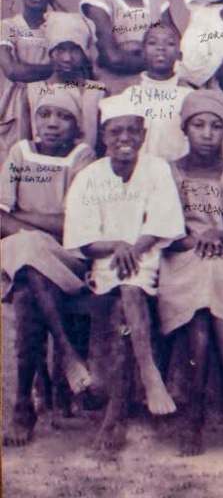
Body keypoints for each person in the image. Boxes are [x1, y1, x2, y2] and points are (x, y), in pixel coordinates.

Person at [63, 93, 186, 451]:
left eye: (132, 131)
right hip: (105, 264)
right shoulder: (89, 177)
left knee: (131, 289)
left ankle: (122, 406)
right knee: (125, 293)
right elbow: (84, 240)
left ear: (144, 134)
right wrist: (117, 245)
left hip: (148, 257)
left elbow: (163, 223)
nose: (124, 139)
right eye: (116, 132)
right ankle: (148, 376)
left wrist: (133, 246)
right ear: (104, 136)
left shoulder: (157, 169)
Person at [159, 90, 223, 455]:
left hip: (222, 258)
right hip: (180, 258)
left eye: (216, 126)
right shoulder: (169, 171)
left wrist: (216, 235)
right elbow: (166, 231)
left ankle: (194, 414)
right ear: (185, 128)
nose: (207, 133)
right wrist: (194, 241)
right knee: (201, 292)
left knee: (208, 286)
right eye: (199, 125)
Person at [0, 92, 96, 446]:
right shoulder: (19, 153)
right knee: (28, 251)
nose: (52, 123)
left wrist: (21, 219)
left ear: (76, 125)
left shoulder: (82, 157)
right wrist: (38, 229)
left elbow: (75, 224)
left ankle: (23, 404)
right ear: (35, 120)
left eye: (63, 117)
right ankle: (67, 354)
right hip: (20, 249)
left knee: (27, 292)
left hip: (65, 256)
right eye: (45, 115)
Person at [0, 0, 62, 161]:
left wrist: (60, 14)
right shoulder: (8, 27)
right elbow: (13, 70)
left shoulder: (57, 27)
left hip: (50, 104)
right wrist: (55, 69)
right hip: (16, 108)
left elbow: (77, 45)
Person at [26, 13, 105, 152]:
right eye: (60, 49)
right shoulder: (32, 90)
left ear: (85, 53)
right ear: (50, 51)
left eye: (75, 49)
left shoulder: (97, 92)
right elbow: (24, 146)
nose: (67, 58)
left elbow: (101, 147)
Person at [126, 24, 192, 161]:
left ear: (179, 54)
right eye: (152, 42)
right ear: (142, 52)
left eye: (170, 43)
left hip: (176, 174)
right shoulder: (130, 95)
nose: (160, 48)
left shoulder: (189, 96)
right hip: (138, 174)